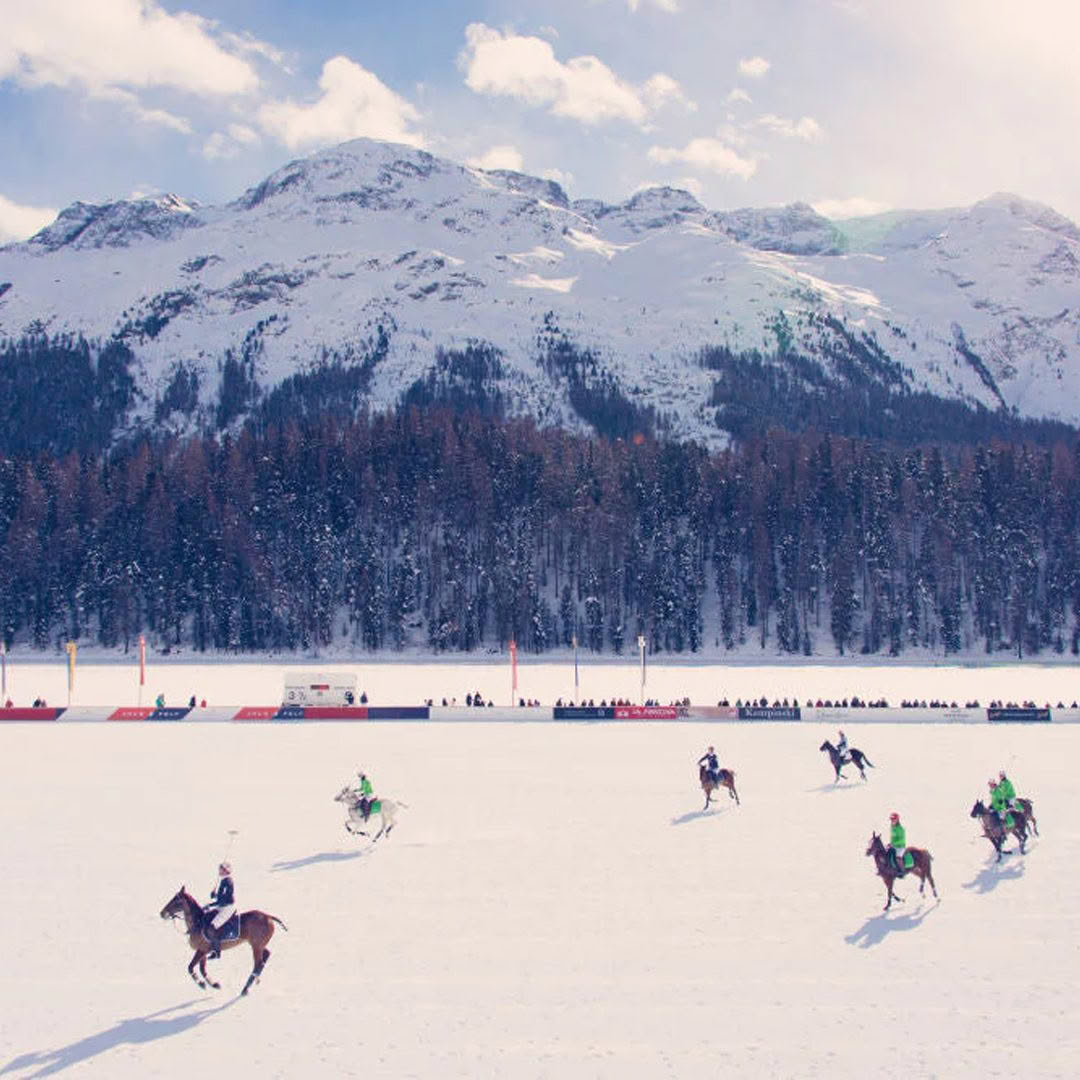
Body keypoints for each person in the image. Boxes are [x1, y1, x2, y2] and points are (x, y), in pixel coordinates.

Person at [204, 862, 235, 958]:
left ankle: (216, 952)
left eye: (221, 869)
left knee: (212, 927)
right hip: (222, 906)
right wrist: (215, 895)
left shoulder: (228, 881)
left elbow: (225, 899)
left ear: (225, 871)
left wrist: (211, 905)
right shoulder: (223, 881)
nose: (219, 871)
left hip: (227, 907)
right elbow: (222, 897)